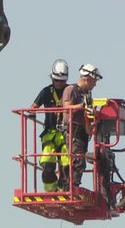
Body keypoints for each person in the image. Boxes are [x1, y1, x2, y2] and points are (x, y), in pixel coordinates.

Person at [31, 59, 70, 192]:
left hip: (66, 134)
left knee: (67, 163)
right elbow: (33, 107)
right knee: (47, 163)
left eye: (62, 81)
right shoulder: (46, 92)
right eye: (57, 80)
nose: (59, 83)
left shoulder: (70, 92)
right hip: (50, 134)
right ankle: (51, 190)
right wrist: (31, 113)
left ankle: (63, 189)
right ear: (52, 78)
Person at [62, 63, 103, 188]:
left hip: (81, 131)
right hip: (72, 130)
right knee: (77, 160)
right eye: (94, 81)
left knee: (80, 161)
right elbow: (66, 107)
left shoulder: (86, 94)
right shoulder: (71, 90)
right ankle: (71, 189)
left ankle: (73, 187)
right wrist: (81, 106)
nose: (95, 84)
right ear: (87, 78)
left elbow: (85, 114)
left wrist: (90, 126)